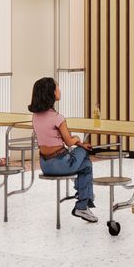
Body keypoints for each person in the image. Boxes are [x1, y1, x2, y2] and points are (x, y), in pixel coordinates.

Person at [30, 76, 99, 224]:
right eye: (57, 87)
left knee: (86, 166)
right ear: (51, 93)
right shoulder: (58, 118)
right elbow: (69, 142)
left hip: (45, 165)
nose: (59, 90)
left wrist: (76, 142)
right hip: (61, 164)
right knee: (85, 153)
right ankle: (84, 202)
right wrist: (79, 141)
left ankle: (85, 198)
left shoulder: (35, 117)